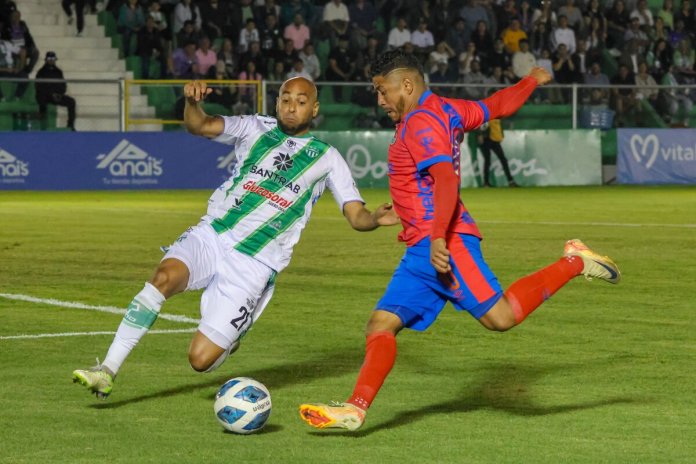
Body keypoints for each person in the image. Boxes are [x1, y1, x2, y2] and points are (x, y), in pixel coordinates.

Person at [299, 49, 621, 431]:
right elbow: (496, 106)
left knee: (501, 318)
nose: (380, 100)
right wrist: (530, 81)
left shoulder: (420, 122)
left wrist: (438, 238)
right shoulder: (446, 108)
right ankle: (356, 408)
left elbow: (446, 180)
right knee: (380, 325)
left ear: (407, 84)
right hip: (422, 249)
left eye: (382, 90)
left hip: (445, 245)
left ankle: (574, 260)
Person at [72, 76, 399, 399]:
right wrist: (191, 102)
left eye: (300, 102)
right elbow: (199, 125)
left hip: (255, 262)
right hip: (214, 233)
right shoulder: (254, 127)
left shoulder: (326, 157)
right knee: (163, 277)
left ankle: (230, 337)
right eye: (285, 99)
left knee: (200, 360)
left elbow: (355, 214)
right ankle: (108, 370)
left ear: (314, 109)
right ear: (277, 102)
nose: (291, 107)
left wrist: (373, 218)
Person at [35, 51, 76, 130]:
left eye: (53, 58)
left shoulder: (58, 72)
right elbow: (39, 86)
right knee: (41, 95)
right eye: (49, 58)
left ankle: (70, 125)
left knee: (71, 102)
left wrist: (59, 94)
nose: (51, 60)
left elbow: (63, 85)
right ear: (46, 59)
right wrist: (51, 93)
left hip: (56, 96)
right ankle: (42, 118)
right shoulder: (41, 72)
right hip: (45, 96)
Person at [478, 117, 518, 187]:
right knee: (488, 161)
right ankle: (486, 183)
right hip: (487, 139)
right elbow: (481, 125)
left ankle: (510, 181)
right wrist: (480, 134)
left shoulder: (497, 114)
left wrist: (501, 135)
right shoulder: (487, 114)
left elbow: (499, 126)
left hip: (495, 140)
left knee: (502, 160)